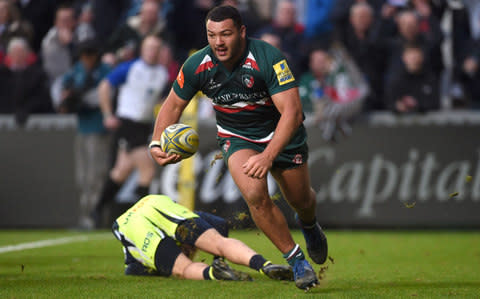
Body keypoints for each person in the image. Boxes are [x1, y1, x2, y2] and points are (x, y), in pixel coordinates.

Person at [149, 5, 327, 290]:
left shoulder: (267, 57)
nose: (218, 42)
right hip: (238, 136)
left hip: (283, 133)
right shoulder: (197, 64)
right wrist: (156, 143)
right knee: (256, 195)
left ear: (242, 32)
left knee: (301, 200)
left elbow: (292, 112)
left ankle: (309, 224)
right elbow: (172, 104)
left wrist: (269, 155)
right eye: (212, 35)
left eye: (226, 34)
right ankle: (297, 261)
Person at [112, 194, 294, 281]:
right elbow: (220, 223)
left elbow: (220, 223)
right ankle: (264, 265)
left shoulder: (137, 257)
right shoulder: (136, 264)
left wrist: (217, 262)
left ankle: (215, 273)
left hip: (132, 223)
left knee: (185, 268)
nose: (192, 250)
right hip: (155, 202)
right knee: (218, 243)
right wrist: (218, 257)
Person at [93, 35, 169, 227]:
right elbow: (104, 86)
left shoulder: (162, 73)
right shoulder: (130, 67)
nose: (152, 52)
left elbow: (157, 99)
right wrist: (107, 114)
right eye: (149, 48)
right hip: (127, 123)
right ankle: (140, 219)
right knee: (148, 171)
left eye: (156, 48)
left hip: (143, 125)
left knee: (121, 172)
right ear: (142, 50)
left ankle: (97, 210)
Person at [57, 39, 112, 230]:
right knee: (82, 177)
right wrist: (66, 98)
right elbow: (61, 89)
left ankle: (95, 217)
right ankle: (85, 216)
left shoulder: (105, 71)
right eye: (84, 55)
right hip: (83, 128)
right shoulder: (77, 70)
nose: (87, 58)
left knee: (96, 176)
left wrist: (79, 98)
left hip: (98, 129)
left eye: (90, 54)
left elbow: (102, 96)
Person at [0, 37, 53, 125]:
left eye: (21, 52)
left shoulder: (38, 75)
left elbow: (41, 98)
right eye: (15, 52)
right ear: (9, 55)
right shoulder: (2, 75)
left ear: (27, 54)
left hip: (33, 122)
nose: (18, 55)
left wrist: (26, 110)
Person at [386, 44, 440, 113]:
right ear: (404, 58)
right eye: (411, 56)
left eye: (416, 56)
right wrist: (398, 106)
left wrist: (417, 105)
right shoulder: (396, 80)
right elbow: (388, 102)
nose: (414, 59)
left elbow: (435, 103)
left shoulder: (430, 79)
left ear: (422, 57)